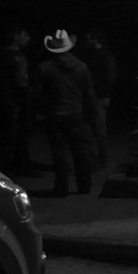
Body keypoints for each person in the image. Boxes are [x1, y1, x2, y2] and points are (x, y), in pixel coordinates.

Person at [34, 29, 97, 197]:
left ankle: (61, 187)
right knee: (80, 150)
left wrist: (40, 110)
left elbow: (38, 93)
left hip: (54, 114)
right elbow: (88, 93)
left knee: (59, 152)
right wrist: (91, 113)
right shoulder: (81, 66)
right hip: (76, 113)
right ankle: (84, 185)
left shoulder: (45, 67)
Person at [0, 23, 35, 176]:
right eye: (25, 35)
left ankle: (22, 165)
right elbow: (5, 81)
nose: (29, 38)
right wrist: (10, 102)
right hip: (12, 101)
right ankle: (7, 169)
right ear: (15, 36)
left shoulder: (20, 53)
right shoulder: (6, 54)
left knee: (23, 133)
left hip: (22, 99)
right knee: (9, 135)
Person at [77, 27, 117, 168]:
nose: (84, 41)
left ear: (95, 39)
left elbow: (109, 78)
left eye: (87, 38)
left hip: (98, 97)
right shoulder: (92, 55)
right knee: (89, 130)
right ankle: (94, 160)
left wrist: (100, 93)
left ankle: (100, 160)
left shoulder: (105, 56)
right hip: (93, 96)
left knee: (98, 130)